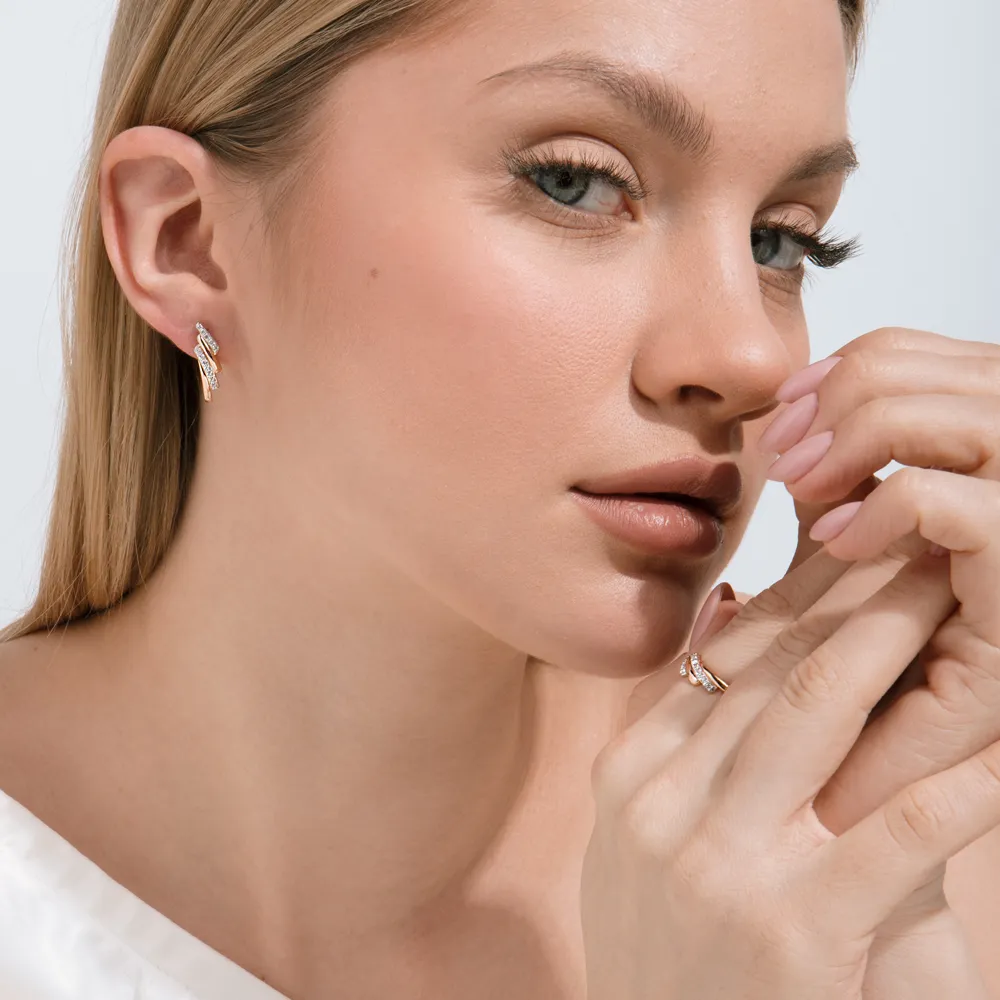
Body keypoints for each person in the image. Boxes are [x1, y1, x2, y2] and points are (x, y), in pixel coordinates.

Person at [1, 0, 998, 996]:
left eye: (778, 242)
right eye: (575, 182)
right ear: (187, 241)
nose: (747, 359)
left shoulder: (904, 874)